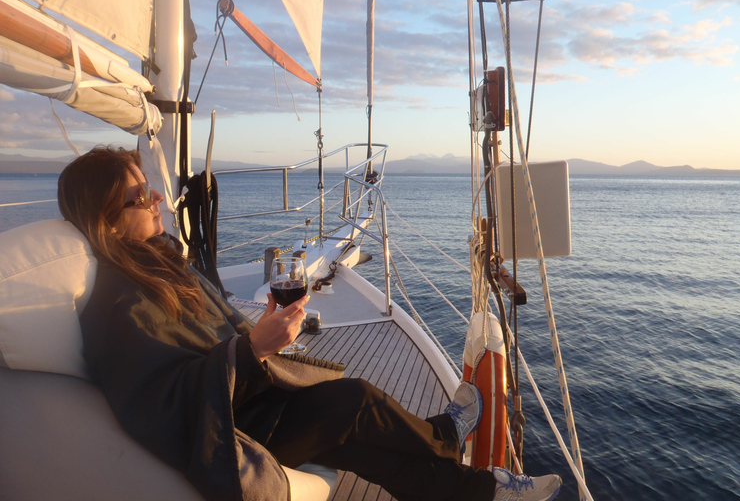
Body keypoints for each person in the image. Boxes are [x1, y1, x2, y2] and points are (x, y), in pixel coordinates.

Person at [57, 145, 562, 501]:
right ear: (106, 218)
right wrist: (249, 349)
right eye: (141, 196)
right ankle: (446, 438)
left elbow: (201, 339)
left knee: (363, 449)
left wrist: (256, 336)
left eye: (151, 190)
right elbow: (161, 403)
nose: (160, 200)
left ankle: (478, 494)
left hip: (246, 401)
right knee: (356, 401)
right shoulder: (117, 306)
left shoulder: (151, 262)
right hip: (232, 427)